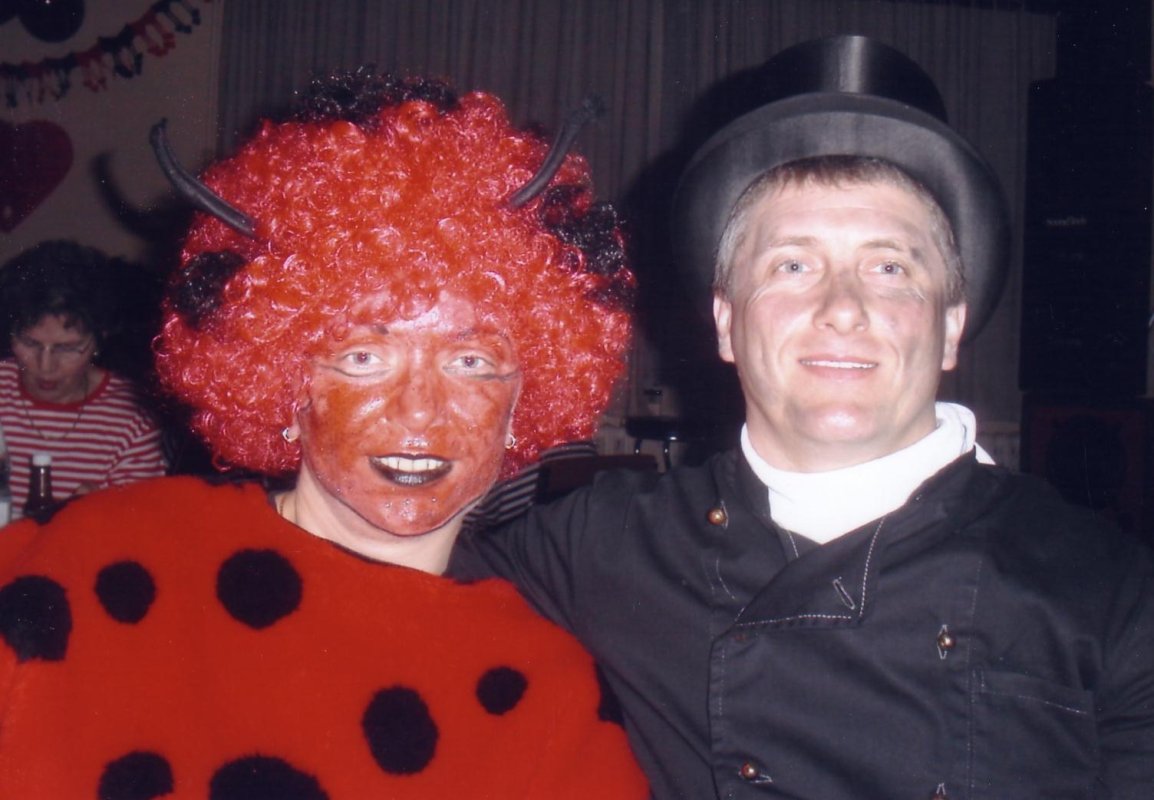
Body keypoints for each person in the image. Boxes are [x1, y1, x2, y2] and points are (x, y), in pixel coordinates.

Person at [452, 36, 1154, 799]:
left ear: (951, 326)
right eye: (793, 264)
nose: (843, 308)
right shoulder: (601, 547)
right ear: (726, 323)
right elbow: (384, 595)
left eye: (889, 267)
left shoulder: (1111, 588)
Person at [0, 71, 646, 797]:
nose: (420, 410)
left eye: (470, 362)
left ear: (524, 399)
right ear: (284, 384)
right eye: (364, 357)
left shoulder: (546, 695)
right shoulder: (94, 563)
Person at [0, 240, 167, 517]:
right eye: (30, 343)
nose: (46, 366)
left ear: (100, 338)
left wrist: (105, 514)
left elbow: (141, 525)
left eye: (67, 348)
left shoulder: (132, 416)